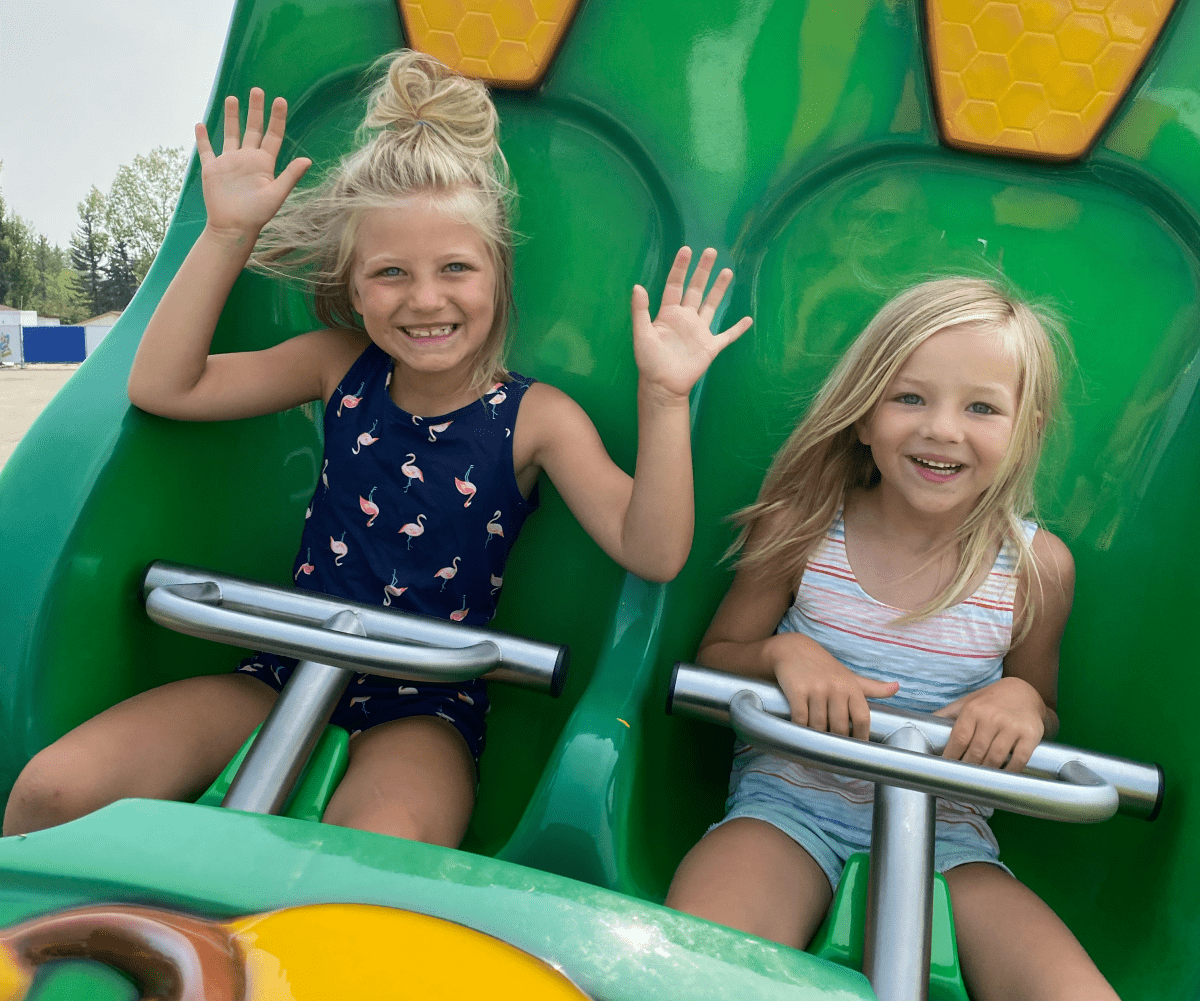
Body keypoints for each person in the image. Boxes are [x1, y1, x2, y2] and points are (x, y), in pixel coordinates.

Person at [3, 51, 751, 846]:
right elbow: (166, 386)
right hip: (284, 662)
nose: (426, 298)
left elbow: (654, 548)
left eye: (455, 268)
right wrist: (228, 232)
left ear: (497, 276)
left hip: (425, 700)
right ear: (354, 289)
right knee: (52, 790)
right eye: (391, 273)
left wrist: (665, 399)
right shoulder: (337, 366)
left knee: (372, 860)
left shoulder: (536, 418)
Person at [665, 278, 1118, 999]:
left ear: (1024, 430)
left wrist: (1021, 702)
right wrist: (785, 653)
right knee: (692, 968)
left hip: (952, 842)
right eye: (910, 397)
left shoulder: (1036, 569)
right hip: (788, 810)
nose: (942, 428)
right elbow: (715, 662)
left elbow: (1043, 709)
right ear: (863, 415)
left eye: (981, 407)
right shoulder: (801, 529)